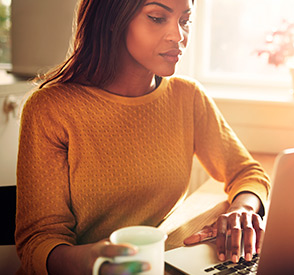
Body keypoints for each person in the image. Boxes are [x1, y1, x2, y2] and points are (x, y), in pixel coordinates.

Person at [15, 0, 271, 274]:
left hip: (160, 265)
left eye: (185, 21)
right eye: (157, 17)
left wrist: (242, 210)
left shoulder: (187, 97)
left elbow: (247, 172)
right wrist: (95, 262)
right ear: (114, 18)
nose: (178, 35)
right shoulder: (50, 109)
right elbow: (38, 241)